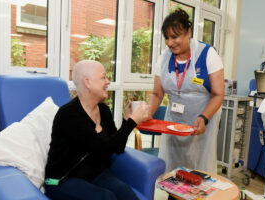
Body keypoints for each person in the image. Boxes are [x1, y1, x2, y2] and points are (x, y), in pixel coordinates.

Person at [44, 60, 150, 200]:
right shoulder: (69, 114)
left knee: (126, 193)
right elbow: (102, 148)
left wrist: (126, 120)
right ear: (87, 82)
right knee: (106, 198)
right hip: (62, 179)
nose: (108, 82)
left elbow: (117, 148)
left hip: (94, 174)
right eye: (103, 78)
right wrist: (132, 122)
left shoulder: (104, 111)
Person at [149, 8, 224, 175]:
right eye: (167, 38)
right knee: (173, 171)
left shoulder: (207, 54)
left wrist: (204, 117)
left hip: (201, 123)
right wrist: (147, 113)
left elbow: (218, 94)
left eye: (175, 37)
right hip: (174, 122)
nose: (170, 43)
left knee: (198, 169)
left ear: (188, 32)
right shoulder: (164, 58)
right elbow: (157, 94)